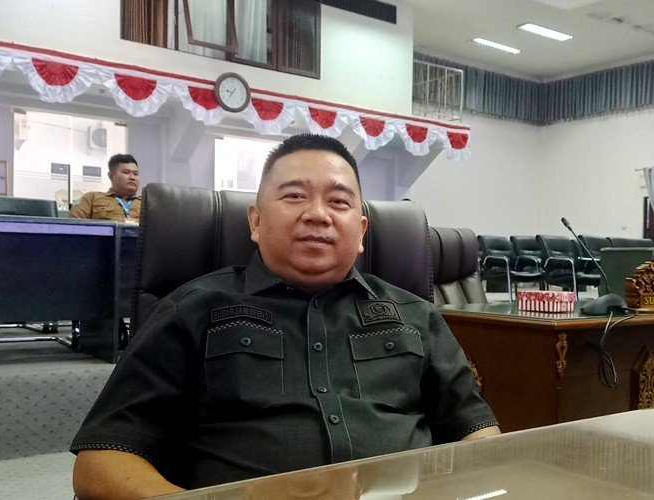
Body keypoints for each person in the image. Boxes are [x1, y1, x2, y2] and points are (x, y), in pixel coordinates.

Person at [70, 134, 499, 498]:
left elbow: (477, 432)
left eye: (339, 201)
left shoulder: (415, 315)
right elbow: (101, 460)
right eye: (294, 196)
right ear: (255, 222)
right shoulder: (192, 310)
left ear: (361, 232)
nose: (318, 214)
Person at [69, 154, 141, 222]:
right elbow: (72, 226)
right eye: (126, 172)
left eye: (135, 174)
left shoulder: (145, 204)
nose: (132, 177)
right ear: (111, 176)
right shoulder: (91, 198)